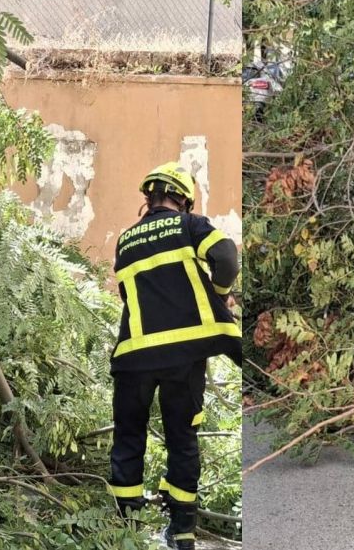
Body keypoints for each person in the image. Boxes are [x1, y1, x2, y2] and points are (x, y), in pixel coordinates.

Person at [108, 162, 241, 550]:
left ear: (149, 196)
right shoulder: (191, 225)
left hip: (133, 355)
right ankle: (182, 532)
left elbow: (129, 295)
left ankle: (126, 528)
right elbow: (227, 258)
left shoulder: (126, 240)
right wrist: (218, 293)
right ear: (182, 198)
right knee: (182, 438)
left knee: (128, 436)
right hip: (183, 356)